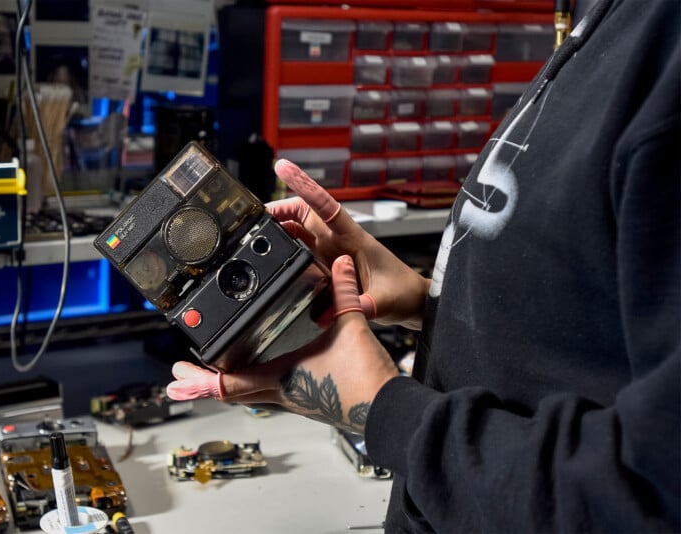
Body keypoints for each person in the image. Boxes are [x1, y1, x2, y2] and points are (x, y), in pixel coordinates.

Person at [167, 0, 680, 531]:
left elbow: (648, 492)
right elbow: (584, 328)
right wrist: (426, 301)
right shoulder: (607, 23)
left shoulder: (664, 54)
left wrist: (381, 408)